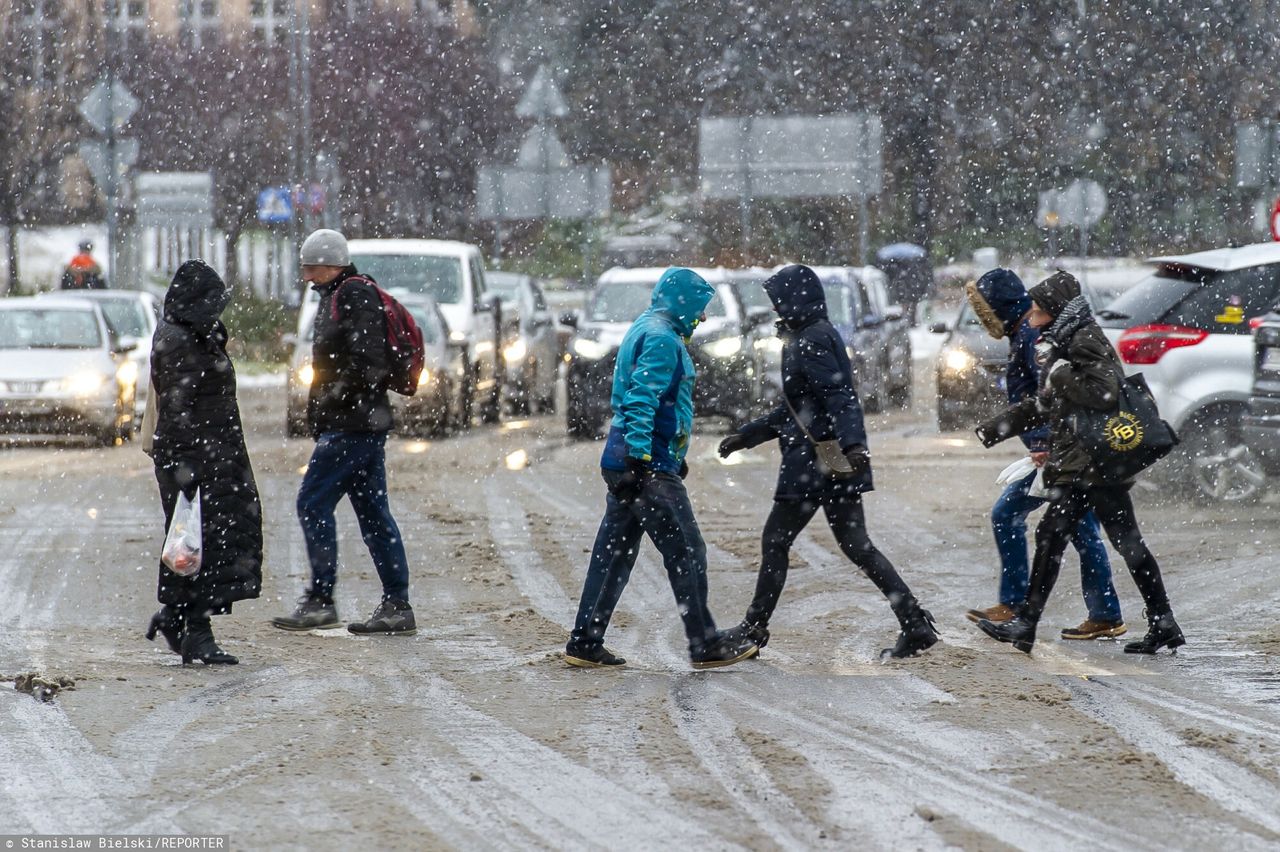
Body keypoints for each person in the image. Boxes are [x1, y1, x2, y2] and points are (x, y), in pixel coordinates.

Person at [718, 264, 938, 659]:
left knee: (776, 541)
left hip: (815, 464)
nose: (775, 309)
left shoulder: (811, 340)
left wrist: (854, 445)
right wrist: (748, 436)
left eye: (779, 301)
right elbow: (799, 409)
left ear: (796, 299)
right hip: (831, 462)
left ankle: (754, 628)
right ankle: (914, 622)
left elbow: (839, 397)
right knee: (857, 545)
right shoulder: (809, 335)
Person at [974, 271, 1184, 655]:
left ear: (1054, 311)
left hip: (1095, 464)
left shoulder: (1083, 339)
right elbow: (1047, 403)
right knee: (1066, 538)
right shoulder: (1063, 341)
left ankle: (1027, 624)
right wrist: (996, 428)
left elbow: (1104, 392)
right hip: (1083, 464)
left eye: (1037, 311)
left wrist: (1059, 371)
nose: (1031, 317)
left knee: (1095, 541)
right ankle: (1161, 621)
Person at [565, 267, 759, 669]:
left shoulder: (646, 326)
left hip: (627, 459)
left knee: (613, 555)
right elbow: (641, 399)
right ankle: (704, 643)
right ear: (683, 303)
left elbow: (648, 402)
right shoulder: (662, 339)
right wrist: (643, 457)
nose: (702, 318)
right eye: (700, 309)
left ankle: (584, 641)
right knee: (687, 550)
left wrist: (664, 454)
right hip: (645, 463)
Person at [963, 268, 1125, 640]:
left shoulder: (1031, 335)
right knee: (1076, 530)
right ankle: (1096, 612)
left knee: (1022, 517)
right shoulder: (1024, 332)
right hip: (1061, 450)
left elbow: (1048, 398)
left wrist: (1042, 443)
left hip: (1063, 453)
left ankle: (1030, 609)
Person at [272, 229, 416, 636]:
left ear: (331, 263)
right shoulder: (336, 296)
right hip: (358, 423)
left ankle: (321, 600)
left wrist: (335, 399)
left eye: (311, 267)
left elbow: (368, 361)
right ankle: (397, 605)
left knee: (312, 502)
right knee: (373, 514)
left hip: (353, 425)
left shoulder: (353, 294)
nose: (306, 276)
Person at [144, 260, 262, 665]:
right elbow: (176, 410)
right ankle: (194, 629)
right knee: (195, 543)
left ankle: (177, 618)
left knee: (201, 541)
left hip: (213, 456)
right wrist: (188, 467)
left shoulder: (195, 334)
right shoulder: (179, 341)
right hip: (194, 459)